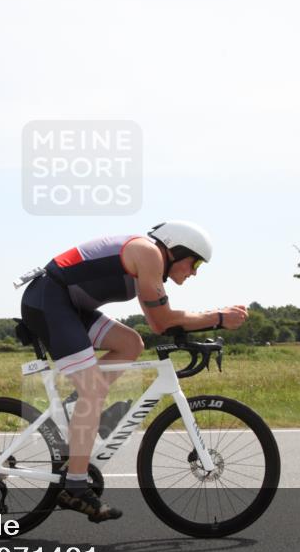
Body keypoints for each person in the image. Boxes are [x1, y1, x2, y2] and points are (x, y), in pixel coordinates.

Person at [19, 221, 249, 522]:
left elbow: (157, 323)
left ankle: (78, 411)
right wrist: (217, 318)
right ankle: (75, 486)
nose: (194, 272)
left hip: (68, 305)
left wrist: (208, 322)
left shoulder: (150, 261)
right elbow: (163, 320)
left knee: (130, 343)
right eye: (195, 263)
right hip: (50, 300)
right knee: (93, 390)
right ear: (177, 250)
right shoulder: (148, 254)